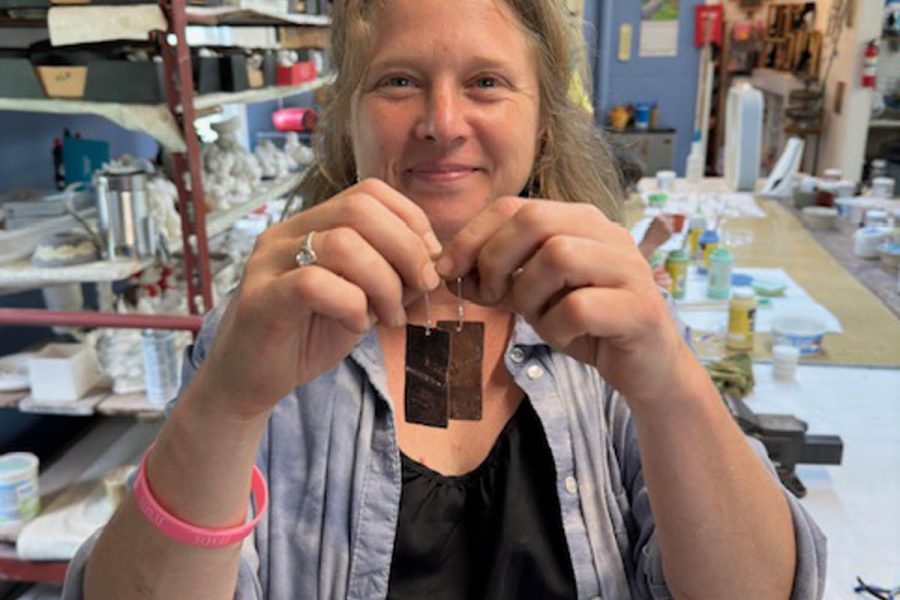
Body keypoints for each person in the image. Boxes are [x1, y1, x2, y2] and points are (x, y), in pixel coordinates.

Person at [65, 1, 825, 598]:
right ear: (347, 118)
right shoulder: (266, 332)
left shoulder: (615, 320)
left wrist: (668, 381)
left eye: (487, 82)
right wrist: (225, 400)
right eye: (398, 81)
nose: (443, 124)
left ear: (542, 119)